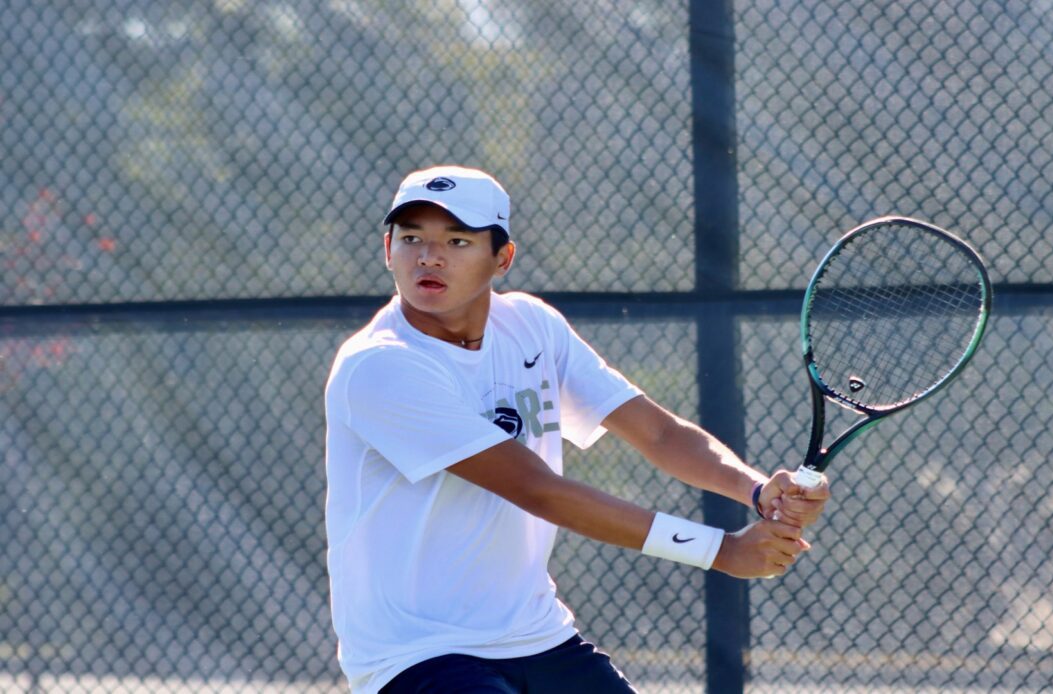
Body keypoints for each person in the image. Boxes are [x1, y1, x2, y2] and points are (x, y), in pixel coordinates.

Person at [323, 165, 830, 693]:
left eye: (456, 240)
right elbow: (539, 491)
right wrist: (720, 551)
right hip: (417, 653)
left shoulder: (532, 326)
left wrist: (755, 489)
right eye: (411, 239)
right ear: (387, 249)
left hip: (537, 635)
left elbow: (658, 433)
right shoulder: (380, 366)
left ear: (503, 259)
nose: (428, 256)